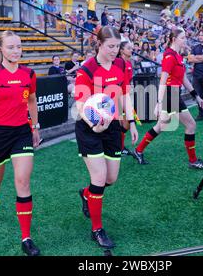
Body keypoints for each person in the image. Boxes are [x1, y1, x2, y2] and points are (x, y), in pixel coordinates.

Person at [0, 31, 41, 256]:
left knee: (23, 181)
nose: (16, 51)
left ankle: (26, 238)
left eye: (19, 47)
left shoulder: (29, 74)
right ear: (1, 49)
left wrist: (35, 127)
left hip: (22, 132)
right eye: (11, 47)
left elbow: (31, 100)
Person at [75, 26, 138, 249]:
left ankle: (85, 194)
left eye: (117, 46)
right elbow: (81, 105)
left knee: (111, 179)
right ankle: (97, 229)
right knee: (99, 178)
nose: (114, 50)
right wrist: (94, 123)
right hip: (89, 128)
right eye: (110, 46)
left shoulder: (122, 64)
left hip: (112, 128)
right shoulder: (87, 70)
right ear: (99, 44)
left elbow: (125, 94)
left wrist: (130, 122)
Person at [131, 28, 203, 170]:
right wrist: (159, 103)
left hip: (173, 93)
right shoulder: (169, 56)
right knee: (191, 125)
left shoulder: (178, 56)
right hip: (170, 94)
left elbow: (183, 78)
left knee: (161, 125)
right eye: (182, 38)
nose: (185, 40)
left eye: (185, 37)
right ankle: (193, 161)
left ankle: (138, 150)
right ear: (174, 39)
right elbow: (162, 80)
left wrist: (196, 96)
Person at [117, 39, 135, 156]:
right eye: (128, 48)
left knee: (126, 124)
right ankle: (118, 147)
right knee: (121, 123)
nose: (131, 50)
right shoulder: (118, 62)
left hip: (126, 96)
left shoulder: (128, 63)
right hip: (118, 98)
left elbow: (128, 80)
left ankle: (120, 146)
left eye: (131, 48)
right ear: (121, 50)